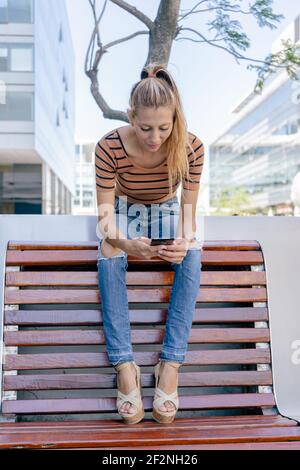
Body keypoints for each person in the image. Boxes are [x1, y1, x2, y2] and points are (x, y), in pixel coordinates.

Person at [95, 63, 205, 425]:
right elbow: (106, 221)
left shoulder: (191, 147)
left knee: (193, 253)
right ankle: (125, 366)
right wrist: (127, 245)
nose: (155, 137)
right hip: (126, 211)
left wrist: (184, 242)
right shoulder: (108, 147)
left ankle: (169, 365)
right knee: (109, 248)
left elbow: (189, 217)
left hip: (166, 210)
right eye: (144, 128)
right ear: (131, 116)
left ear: (175, 118)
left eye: (163, 127)